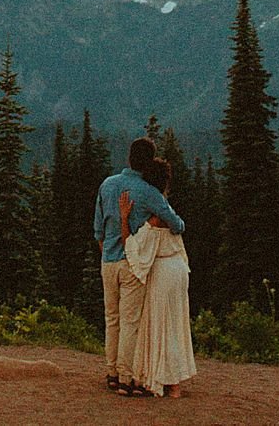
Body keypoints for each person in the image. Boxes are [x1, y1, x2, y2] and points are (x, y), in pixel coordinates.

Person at [94, 136, 185, 395]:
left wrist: (107, 255)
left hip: (108, 261)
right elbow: (176, 224)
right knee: (130, 321)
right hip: (133, 264)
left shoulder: (107, 185)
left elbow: (98, 229)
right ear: (148, 163)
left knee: (112, 319)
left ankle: (111, 373)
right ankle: (126, 378)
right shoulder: (148, 192)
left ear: (129, 157)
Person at [122, 157, 196, 399]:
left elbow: (132, 247)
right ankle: (175, 384)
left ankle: (163, 381)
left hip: (162, 272)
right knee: (176, 325)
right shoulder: (170, 215)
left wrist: (124, 219)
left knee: (159, 326)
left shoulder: (155, 220)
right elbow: (180, 226)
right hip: (179, 270)